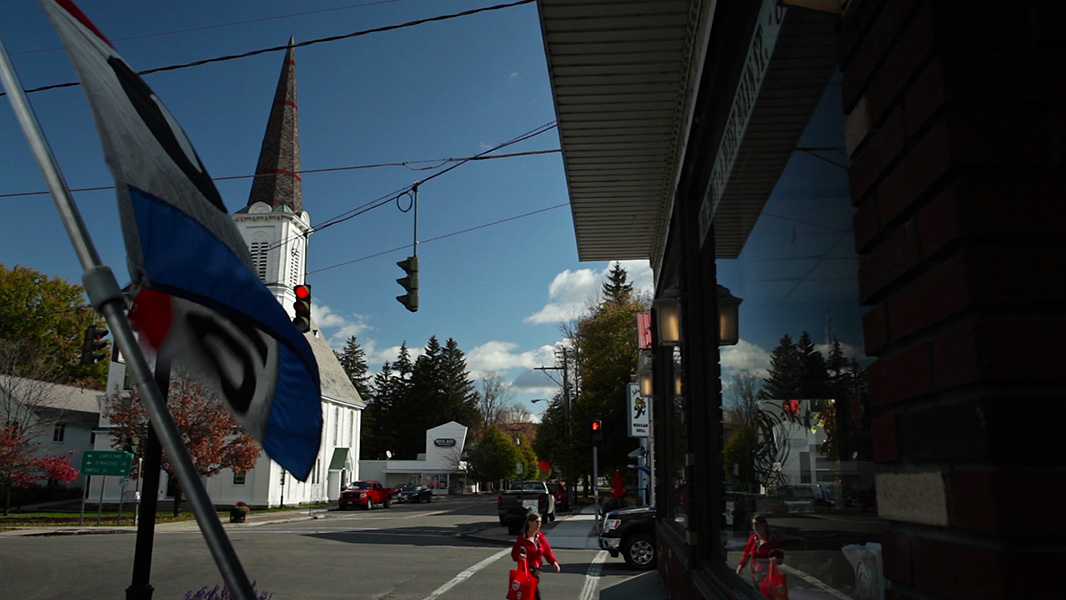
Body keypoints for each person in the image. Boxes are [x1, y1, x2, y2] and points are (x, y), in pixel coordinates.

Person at [511, 512, 560, 600]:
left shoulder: (540, 537)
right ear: (530, 522)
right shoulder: (522, 538)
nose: (539, 524)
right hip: (526, 570)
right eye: (536, 522)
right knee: (533, 594)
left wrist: (554, 563)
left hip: (537, 570)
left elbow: (547, 551)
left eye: (540, 522)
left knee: (528, 595)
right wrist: (519, 556)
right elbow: (514, 553)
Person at [735, 514, 784, 592]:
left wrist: (776, 559)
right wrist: (740, 567)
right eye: (753, 524)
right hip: (756, 574)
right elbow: (746, 554)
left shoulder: (772, 541)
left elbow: (780, 558)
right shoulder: (753, 539)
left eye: (756, 524)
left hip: (768, 575)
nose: (754, 526)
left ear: (763, 524)